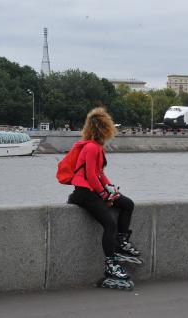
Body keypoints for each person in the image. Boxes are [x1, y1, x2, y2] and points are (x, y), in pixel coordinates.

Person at [67, 107, 142, 289]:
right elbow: (91, 177)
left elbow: (100, 174)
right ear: (105, 128)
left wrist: (111, 190)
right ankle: (111, 266)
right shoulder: (92, 148)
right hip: (84, 193)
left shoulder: (96, 147)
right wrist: (104, 195)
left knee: (127, 204)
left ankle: (121, 242)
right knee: (109, 225)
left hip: (93, 190)